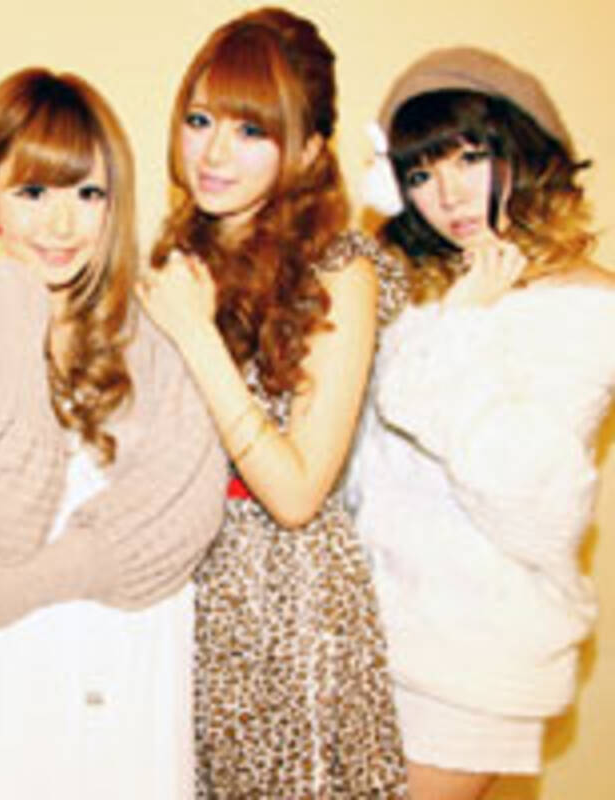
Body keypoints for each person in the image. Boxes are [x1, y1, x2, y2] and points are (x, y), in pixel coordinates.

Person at [0, 67, 227, 800]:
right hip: (3, 691)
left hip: (132, 684)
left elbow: (184, 517)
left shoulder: (159, 326)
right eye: (33, 193)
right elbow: (9, 522)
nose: (63, 226)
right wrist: (7, 307)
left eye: (89, 195)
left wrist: (19, 587)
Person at [136, 8, 408, 797]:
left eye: (251, 130)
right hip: (181, 596)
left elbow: (296, 493)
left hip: (285, 608)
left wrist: (195, 335)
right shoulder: (179, 257)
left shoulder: (339, 270)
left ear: (310, 149)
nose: (214, 152)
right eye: (199, 120)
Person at [351, 46, 615, 800]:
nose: (449, 195)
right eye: (421, 174)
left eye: (470, 158)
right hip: (373, 636)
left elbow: (532, 502)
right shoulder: (425, 295)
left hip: (472, 655)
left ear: (526, 151)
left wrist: (460, 330)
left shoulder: (589, 309)